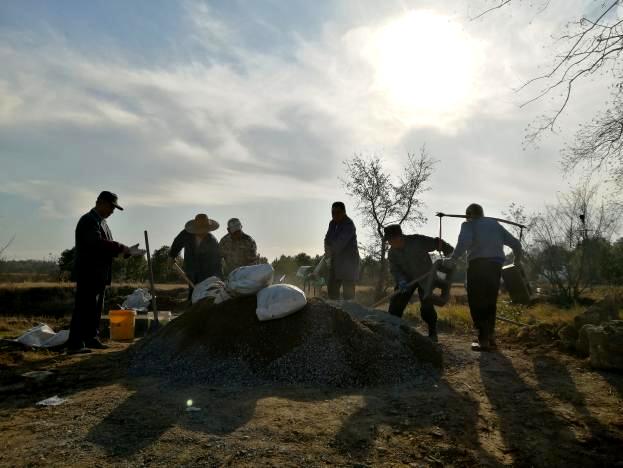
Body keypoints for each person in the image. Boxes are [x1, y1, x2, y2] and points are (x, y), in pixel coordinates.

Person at [68, 191, 145, 354]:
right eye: (111, 207)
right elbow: (97, 244)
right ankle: (75, 343)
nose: (112, 211)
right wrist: (122, 247)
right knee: (84, 307)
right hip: (88, 271)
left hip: (100, 273)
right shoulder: (88, 221)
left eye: (114, 208)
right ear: (100, 202)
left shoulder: (103, 223)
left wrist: (127, 252)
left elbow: (108, 248)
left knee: (95, 308)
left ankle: (91, 338)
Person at [444, 203, 522, 351]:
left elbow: (464, 242)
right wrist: (516, 260)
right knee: (490, 300)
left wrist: (453, 259)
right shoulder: (495, 224)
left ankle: (483, 339)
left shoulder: (468, 224)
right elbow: (516, 244)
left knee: (476, 300)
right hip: (495, 266)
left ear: (468, 215)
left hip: (478, 265)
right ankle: (490, 336)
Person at [384, 224, 454, 342]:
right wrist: (401, 280)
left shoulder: (417, 241)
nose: (390, 243)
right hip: (407, 281)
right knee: (395, 306)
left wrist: (449, 253)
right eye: (389, 241)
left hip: (425, 277)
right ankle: (393, 332)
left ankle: (432, 333)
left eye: (391, 240)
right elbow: (395, 269)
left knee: (426, 308)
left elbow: (437, 243)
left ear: (399, 237)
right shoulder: (392, 253)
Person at [169, 213, 222, 300]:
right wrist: (172, 256)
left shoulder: (212, 241)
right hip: (191, 267)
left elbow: (216, 262)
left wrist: (217, 277)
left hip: (206, 272)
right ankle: (191, 306)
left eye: (204, 230)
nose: (202, 233)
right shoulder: (186, 234)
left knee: (204, 294)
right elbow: (177, 243)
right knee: (192, 291)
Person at [324, 201, 360, 300]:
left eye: (337, 212)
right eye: (333, 213)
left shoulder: (349, 225)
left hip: (349, 263)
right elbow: (327, 239)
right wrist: (327, 251)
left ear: (344, 212)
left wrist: (330, 250)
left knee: (348, 294)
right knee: (331, 289)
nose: (335, 215)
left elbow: (340, 243)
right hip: (336, 262)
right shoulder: (332, 223)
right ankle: (334, 311)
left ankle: (349, 313)